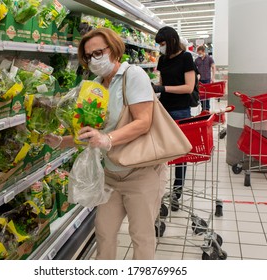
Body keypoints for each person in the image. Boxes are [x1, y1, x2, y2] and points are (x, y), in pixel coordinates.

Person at [46, 28, 166, 260]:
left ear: (114, 49)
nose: (93, 59)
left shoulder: (133, 75)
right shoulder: (95, 85)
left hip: (140, 172)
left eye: (98, 52)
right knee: (104, 233)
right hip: (110, 174)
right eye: (89, 56)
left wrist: (107, 140)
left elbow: (143, 122)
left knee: (141, 237)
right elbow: (93, 134)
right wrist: (61, 141)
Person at [151, 26, 196, 212]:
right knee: (161, 151)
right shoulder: (162, 59)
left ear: (170, 41)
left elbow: (189, 87)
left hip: (181, 110)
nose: (160, 47)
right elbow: (162, 82)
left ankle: (177, 192)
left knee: (179, 154)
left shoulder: (186, 58)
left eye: (162, 44)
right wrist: (155, 88)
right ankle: (159, 190)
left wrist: (164, 89)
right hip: (164, 108)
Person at [195, 45, 216, 111]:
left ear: (204, 51)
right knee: (201, 94)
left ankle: (207, 108)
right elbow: (194, 69)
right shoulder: (197, 60)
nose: (199, 54)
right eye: (198, 53)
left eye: (200, 53)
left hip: (207, 79)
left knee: (207, 95)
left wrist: (213, 78)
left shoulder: (209, 58)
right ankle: (203, 108)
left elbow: (213, 67)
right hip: (200, 80)